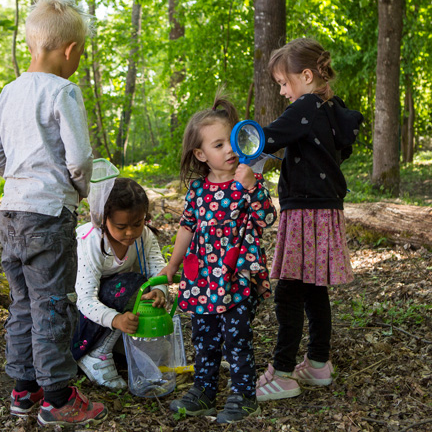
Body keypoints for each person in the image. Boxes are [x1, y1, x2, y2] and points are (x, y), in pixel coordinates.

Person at [0, 0, 106, 427]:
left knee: (22, 303)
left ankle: (24, 388)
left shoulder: (9, 92)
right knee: (52, 305)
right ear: (70, 50)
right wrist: (78, 190)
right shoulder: (63, 91)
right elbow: (80, 158)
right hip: (48, 215)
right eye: (80, 54)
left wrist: (19, 177)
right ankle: (57, 397)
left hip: (11, 213)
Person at [254, 38, 364, 401]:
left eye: (283, 83)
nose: (282, 92)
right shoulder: (333, 108)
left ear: (305, 76)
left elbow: (266, 139)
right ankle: (318, 363)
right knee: (314, 286)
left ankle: (283, 372)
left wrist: (236, 144)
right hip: (325, 208)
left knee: (288, 290)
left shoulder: (305, 107)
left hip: (304, 211)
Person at [160, 95, 277, 423]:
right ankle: (204, 391)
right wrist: (172, 265)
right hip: (202, 278)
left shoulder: (247, 182)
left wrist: (252, 187)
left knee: (236, 335)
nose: (229, 150)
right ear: (201, 154)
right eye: (218, 144)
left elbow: (267, 219)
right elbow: (187, 227)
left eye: (231, 141)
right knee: (204, 335)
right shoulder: (198, 190)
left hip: (237, 275)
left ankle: (244, 394)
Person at [71, 177, 168, 391]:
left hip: (109, 299)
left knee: (143, 286)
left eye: (137, 224)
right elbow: (84, 299)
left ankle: (117, 343)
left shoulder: (144, 236)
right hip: (79, 312)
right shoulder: (91, 242)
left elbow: (157, 269)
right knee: (133, 284)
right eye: (121, 226)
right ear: (103, 218)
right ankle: (96, 354)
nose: (130, 232)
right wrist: (116, 320)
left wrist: (159, 289)